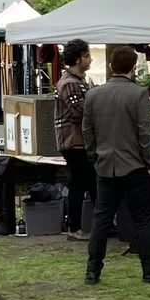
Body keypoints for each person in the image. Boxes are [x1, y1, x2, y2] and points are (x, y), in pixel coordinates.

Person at [83, 47, 150, 285]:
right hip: (134, 166)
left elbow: (87, 131)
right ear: (133, 67)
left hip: (105, 165)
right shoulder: (138, 94)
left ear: (112, 66)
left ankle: (93, 271)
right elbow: (145, 133)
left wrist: (94, 156)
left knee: (101, 220)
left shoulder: (93, 95)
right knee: (144, 219)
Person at [55, 39, 96, 242]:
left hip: (80, 141)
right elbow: (79, 111)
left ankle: (99, 225)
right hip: (74, 141)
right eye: (87, 55)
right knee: (80, 183)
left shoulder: (79, 81)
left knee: (88, 182)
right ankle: (75, 228)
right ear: (78, 58)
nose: (90, 59)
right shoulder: (69, 83)